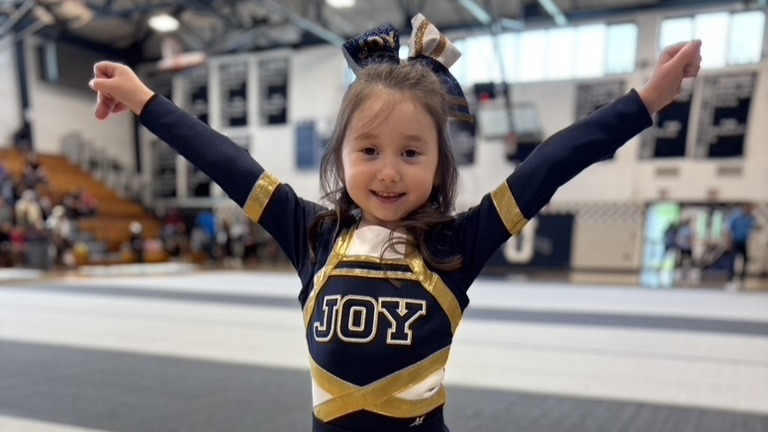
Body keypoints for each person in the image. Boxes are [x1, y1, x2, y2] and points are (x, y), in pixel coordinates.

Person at [89, 14, 701, 432]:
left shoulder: (459, 242)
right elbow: (224, 160)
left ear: (439, 166)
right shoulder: (312, 235)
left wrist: (644, 101)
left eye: (412, 153)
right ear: (340, 156)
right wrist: (146, 100)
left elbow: (551, 165)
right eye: (369, 150)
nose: (388, 173)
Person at [725, 203, 758, 291]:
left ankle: (742, 280)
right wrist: (728, 243)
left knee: (745, 261)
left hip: (744, 242)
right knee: (732, 261)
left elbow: (753, 229)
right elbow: (728, 230)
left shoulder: (751, 218)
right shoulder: (735, 217)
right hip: (735, 241)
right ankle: (730, 280)